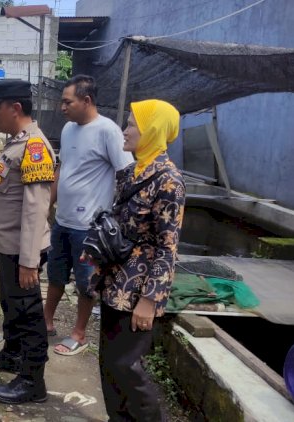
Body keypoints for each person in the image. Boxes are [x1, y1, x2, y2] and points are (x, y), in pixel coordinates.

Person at [91, 99, 185, 421]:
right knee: (108, 363)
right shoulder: (132, 171)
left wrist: (150, 299)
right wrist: (99, 247)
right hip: (115, 281)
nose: (125, 130)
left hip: (138, 290)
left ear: (152, 130)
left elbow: (167, 246)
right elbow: (121, 226)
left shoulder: (168, 181)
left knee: (126, 366)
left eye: (131, 124)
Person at [0, 79, 56, 404]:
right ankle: (11, 355)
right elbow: (7, 199)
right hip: (9, 247)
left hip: (23, 252)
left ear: (15, 108)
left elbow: (37, 209)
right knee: (11, 307)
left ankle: (32, 380)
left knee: (28, 313)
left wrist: (28, 260)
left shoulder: (34, 147)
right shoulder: (16, 143)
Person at [43, 75, 134, 356]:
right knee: (55, 274)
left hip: (89, 227)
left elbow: (126, 174)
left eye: (67, 101)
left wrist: (114, 219)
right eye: (62, 102)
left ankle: (79, 334)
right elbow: (62, 169)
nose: (62, 107)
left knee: (87, 282)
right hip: (63, 220)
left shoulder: (108, 131)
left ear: (87, 100)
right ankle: (45, 321)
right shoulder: (69, 129)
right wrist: (48, 203)